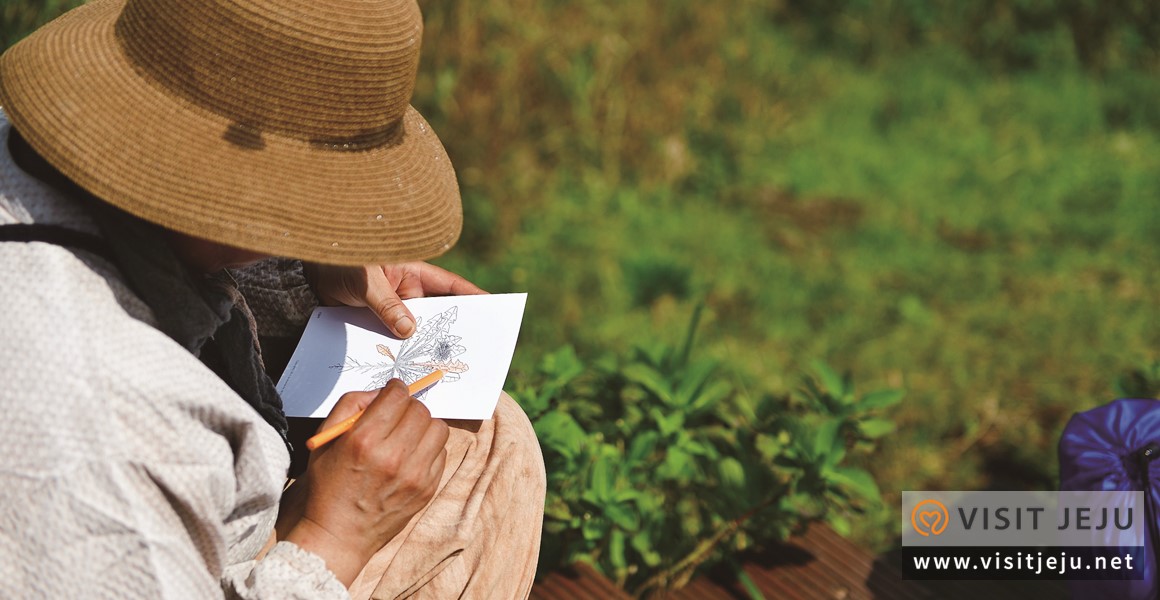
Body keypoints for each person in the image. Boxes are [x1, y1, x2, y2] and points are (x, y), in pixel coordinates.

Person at [0, 0, 546, 598]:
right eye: (311, 199)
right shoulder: (108, 426)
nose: (327, 219)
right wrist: (334, 535)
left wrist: (303, 271)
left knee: (481, 432)